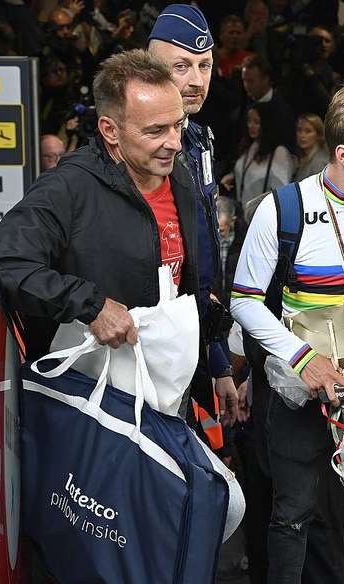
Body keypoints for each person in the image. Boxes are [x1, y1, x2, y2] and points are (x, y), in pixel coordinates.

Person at [230, 86, 344, 584]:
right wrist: (301, 358)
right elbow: (243, 300)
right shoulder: (282, 209)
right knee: (292, 516)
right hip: (299, 388)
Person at [0, 50, 201, 361]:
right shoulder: (68, 187)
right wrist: (92, 305)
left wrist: (215, 366)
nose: (175, 142)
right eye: (156, 130)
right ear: (110, 130)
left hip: (166, 386)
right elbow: (3, 265)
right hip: (86, 395)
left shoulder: (177, 175)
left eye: (178, 125)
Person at [147, 3, 239, 440]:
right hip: (147, 349)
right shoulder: (129, 150)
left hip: (192, 345)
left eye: (204, 65)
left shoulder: (199, 139)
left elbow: (204, 266)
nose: (196, 79)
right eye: (181, 66)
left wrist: (217, 360)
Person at [228, 102, 294, 219]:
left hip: (264, 217)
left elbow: (283, 192)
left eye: (256, 122)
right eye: (249, 121)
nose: (251, 126)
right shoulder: (251, 146)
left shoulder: (279, 153)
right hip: (244, 215)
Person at [293, 113, 329, 181]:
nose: (302, 135)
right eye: (299, 130)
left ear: (318, 135)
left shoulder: (319, 162)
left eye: (308, 131)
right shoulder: (302, 159)